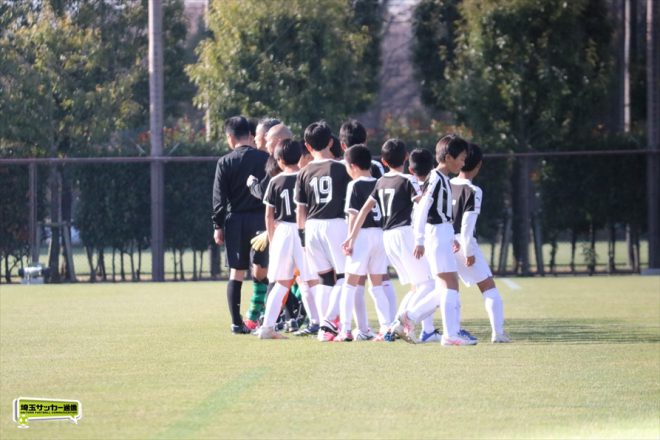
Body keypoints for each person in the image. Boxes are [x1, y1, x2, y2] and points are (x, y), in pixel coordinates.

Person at [343, 140, 436, 344]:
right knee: (431, 284)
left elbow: (364, 209)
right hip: (405, 234)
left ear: (383, 161)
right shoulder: (408, 180)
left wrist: (351, 237)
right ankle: (403, 321)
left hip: (388, 237)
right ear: (406, 157)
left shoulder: (380, 182)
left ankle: (396, 326)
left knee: (418, 285)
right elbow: (422, 206)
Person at [403, 134, 477, 346]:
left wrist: (450, 235)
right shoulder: (435, 178)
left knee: (447, 285)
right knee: (449, 285)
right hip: (435, 233)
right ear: (449, 157)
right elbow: (422, 208)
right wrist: (419, 240)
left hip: (442, 233)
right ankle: (450, 335)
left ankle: (411, 317)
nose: (464, 163)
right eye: (462, 158)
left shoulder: (442, 179)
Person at [294, 121, 352, 341]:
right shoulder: (342, 167)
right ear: (331, 141)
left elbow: (301, 209)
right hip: (335, 223)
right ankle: (329, 322)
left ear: (307, 147)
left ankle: (322, 325)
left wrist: (302, 238)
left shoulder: (303, 172)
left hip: (311, 227)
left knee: (325, 279)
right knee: (345, 277)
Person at [212, 116, 270, 334]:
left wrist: (218, 226)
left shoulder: (225, 162)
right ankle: (270, 314)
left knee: (236, 272)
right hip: (260, 219)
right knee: (261, 270)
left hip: (235, 220)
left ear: (230, 137)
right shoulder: (264, 158)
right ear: (251, 135)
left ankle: (237, 323)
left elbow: (219, 199)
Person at [258, 140, 317, 339]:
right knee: (310, 280)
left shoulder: (275, 181)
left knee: (281, 282)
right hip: (303, 230)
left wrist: (273, 240)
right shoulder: (306, 177)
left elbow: (268, 215)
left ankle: (267, 326)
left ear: (280, 160)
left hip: (282, 231)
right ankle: (320, 322)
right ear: (300, 157)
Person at [451, 143, 510, 343]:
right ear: (479, 165)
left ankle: (443, 329)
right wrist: (468, 251)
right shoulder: (473, 190)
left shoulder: (446, 184)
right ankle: (499, 334)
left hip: (443, 242)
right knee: (489, 289)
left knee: (447, 290)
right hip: (462, 243)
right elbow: (467, 226)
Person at [336, 145, 390, 341]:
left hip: (362, 235)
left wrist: (350, 239)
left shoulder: (355, 185)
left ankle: (346, 329)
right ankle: (386, 328)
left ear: (353, 166)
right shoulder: (381, 182)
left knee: (349, 285)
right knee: (377, 285)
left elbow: (353, 216)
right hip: (380, 235)